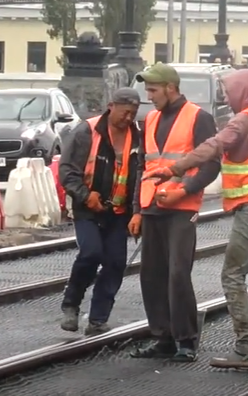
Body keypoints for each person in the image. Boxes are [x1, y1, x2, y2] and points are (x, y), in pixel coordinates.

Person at [145, 69, 248, 372]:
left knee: (232, 276)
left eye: (229, 92)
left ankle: (245, 348)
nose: (227, 98)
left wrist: (175, 170)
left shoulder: (245, 119)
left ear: (243, 91)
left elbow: (214, 146)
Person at [128, 63, 222, 362]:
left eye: (153, 90)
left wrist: (186, 188)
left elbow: (211, 164)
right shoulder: (151, 118)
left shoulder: (199, 118)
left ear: (170, 88)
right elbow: (143, 166)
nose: (149, 96)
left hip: (182, 207)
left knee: (178, 273)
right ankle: (163, 337)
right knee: (151, 275)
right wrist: (137, 210)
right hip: (152, 206)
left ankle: (186, 339)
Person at [57, 88, 144, 336]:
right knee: (91, 253)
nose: (128, 118)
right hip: (88, 209)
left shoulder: (137, 137)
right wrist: (85, 196)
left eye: (134, 113)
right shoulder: (87, 131)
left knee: (115, 263)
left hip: (118, 212)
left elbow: (141, 173)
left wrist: (138, 210)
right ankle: (71, 305)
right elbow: (67, 171)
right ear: (111, 106)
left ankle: (98, 319)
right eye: (125, 112)